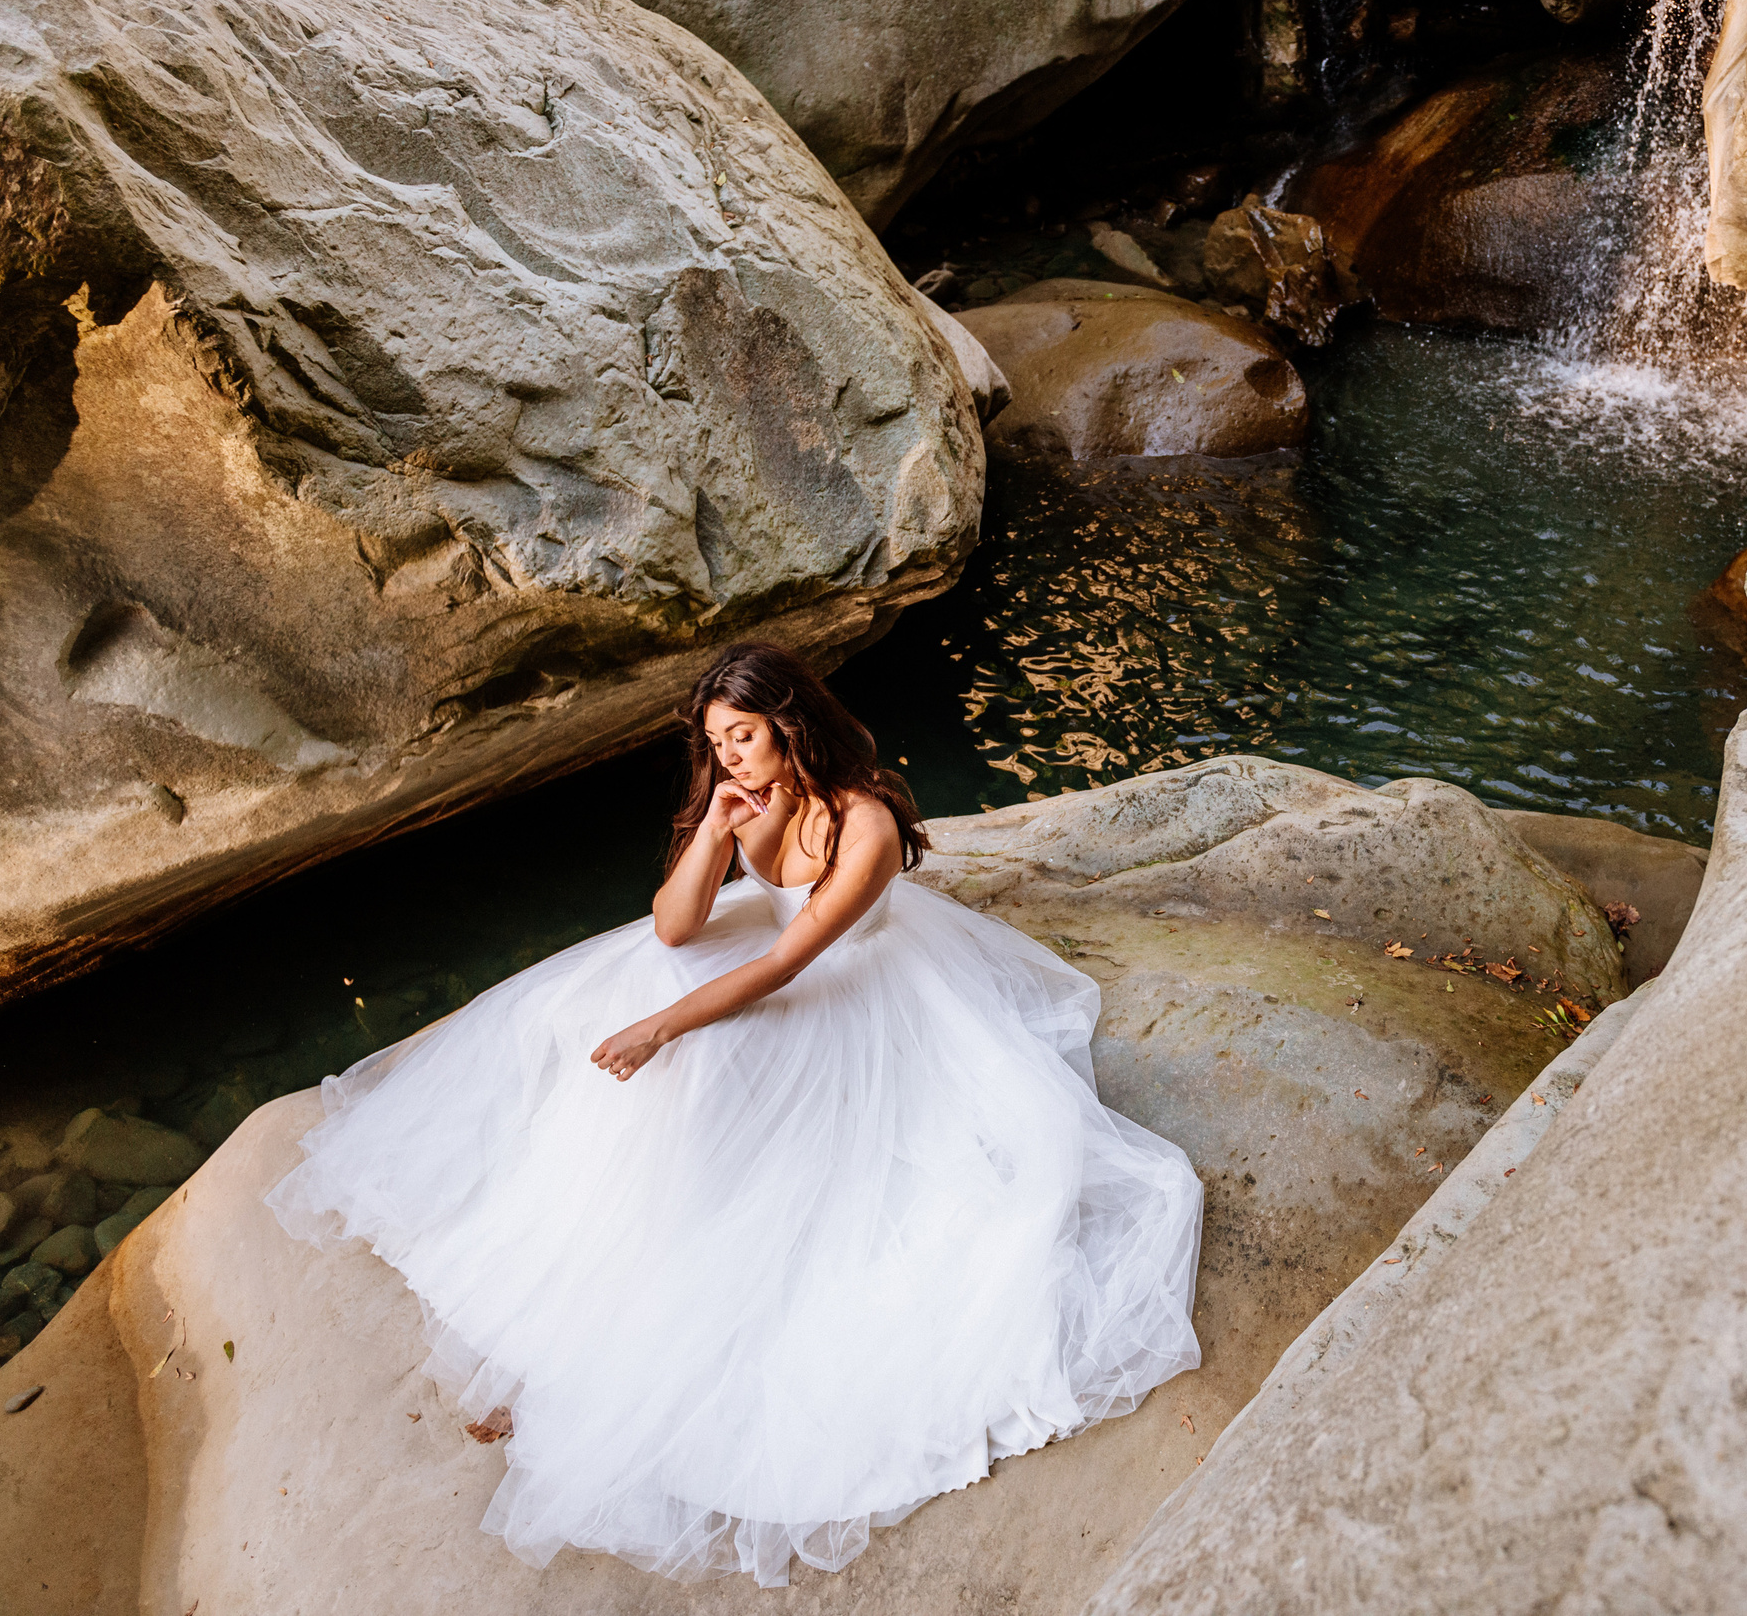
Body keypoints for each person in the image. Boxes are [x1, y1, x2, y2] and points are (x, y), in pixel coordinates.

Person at [267, 640, 1205, 1588]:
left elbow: (784, 966)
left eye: (745, 737)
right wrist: (715, 827)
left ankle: (678, 1225)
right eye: (717, 744)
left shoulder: (864, 823)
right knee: (624, 974)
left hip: (857, 987)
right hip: (772, 950)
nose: (733, 759)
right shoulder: (738, 795)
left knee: (700, 1053)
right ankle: (610, 1224)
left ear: (792, 722)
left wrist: (663, 1029)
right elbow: (675, 922)